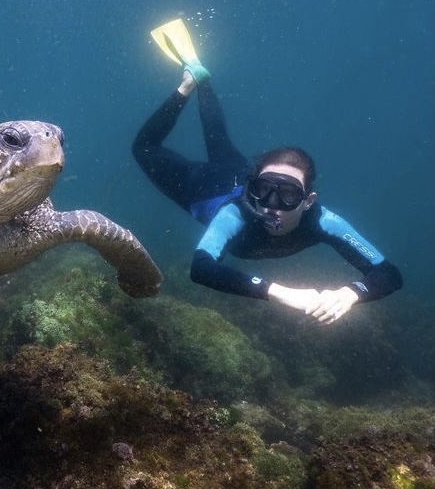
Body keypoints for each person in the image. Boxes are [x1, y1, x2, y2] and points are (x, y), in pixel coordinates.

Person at [133, 18, 402, 324]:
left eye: (287, 194)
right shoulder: (235, 214)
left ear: (308, 200)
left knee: (218, 141)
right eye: (264, 189)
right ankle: (188, 85)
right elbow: (202, 268)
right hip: (207, 188)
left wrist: (351, 293)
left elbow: (388, 273)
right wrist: (281, 292)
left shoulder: (323, 220)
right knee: (144, 148)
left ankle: (200, 78)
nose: (271, 203)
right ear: (254, 185)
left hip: (238, 173)